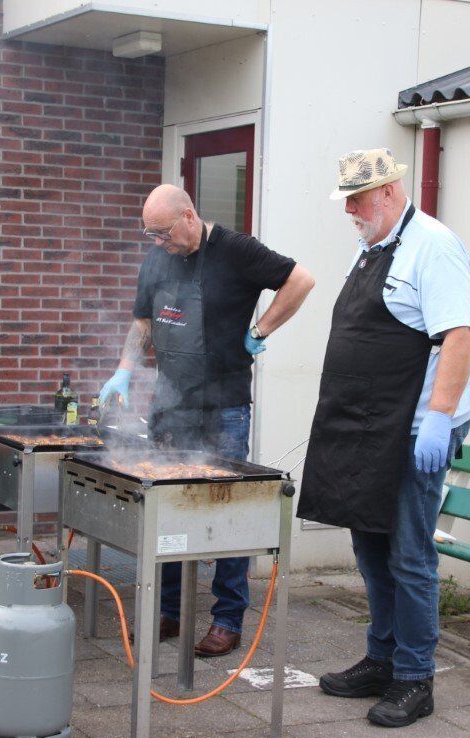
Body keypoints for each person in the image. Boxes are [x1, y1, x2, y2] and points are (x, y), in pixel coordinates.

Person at [298, 148, 470, 728]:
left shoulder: (435, 246)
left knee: (408, 553)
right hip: (368, 424)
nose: (349, 210)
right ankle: (381, 659)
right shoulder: (372, 246)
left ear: (388, 191)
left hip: (417, 425)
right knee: (371, 548)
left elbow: (459, 335)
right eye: (347, 200)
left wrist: (440, 416)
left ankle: (415, 677)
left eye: (357, 199)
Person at [99, 184, 315, 657]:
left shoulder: (237, 250)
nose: (159, 243)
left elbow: (301, 280)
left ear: (189, 216)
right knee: (167, 509)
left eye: (163, 233)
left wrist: (260, 330)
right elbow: (143, 323)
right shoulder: (157, 259)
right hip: (170, 407)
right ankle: (169, 611)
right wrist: (124, 371)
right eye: (151, 235)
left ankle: (227, 618)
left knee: (227, 509)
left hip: (225, 407)